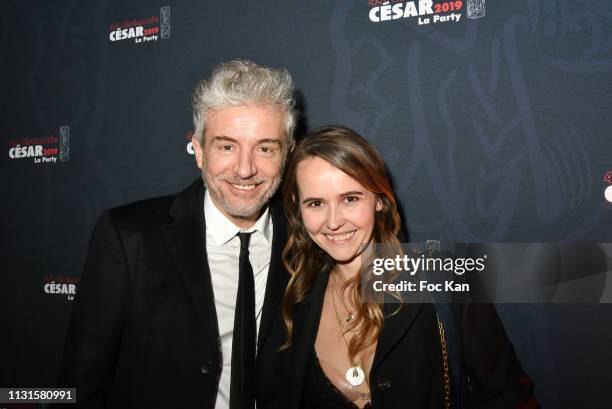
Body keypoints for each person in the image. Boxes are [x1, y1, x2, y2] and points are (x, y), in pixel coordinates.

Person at [59, 60, 296, 409]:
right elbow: (80, 384)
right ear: (199, 151)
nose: (245, 169)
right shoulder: (128, 238)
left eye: (265, 148)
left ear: (287, 154)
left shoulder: (309, 239)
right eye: (226, 146)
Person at [275, 126, 539, 409]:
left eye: (350, 199)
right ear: (297, 207)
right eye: (316, 203)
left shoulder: (445, 276)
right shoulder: (292, 301)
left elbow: (510, 396)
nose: (333, 221)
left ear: (378, 200)